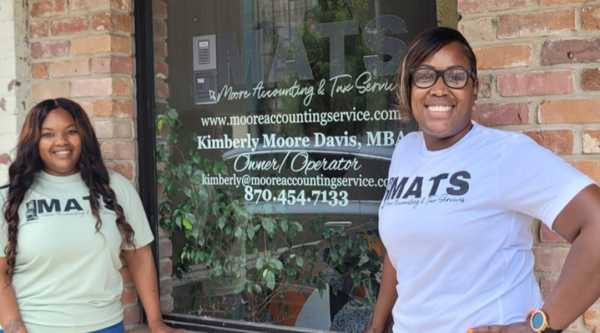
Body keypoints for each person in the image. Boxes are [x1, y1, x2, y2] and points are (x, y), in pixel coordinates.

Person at [366, 27, 600, 333]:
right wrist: (377, 325)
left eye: (455, 76)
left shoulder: (504, 155)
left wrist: (540, 326)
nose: (439, 89)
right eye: (425, 75)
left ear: (474, 87)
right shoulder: (405, 151)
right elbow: (402, 251)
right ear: (409, 87)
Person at [0, 98, 185, 333]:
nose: (61, 141)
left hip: (103, 327)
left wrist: (156, 321)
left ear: (83, 136)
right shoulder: (10, 198)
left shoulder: (116, 188)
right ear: (34, 141)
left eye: (71, 131)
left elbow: (138, 255)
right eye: (48, 134)